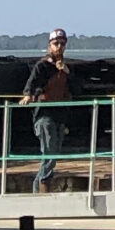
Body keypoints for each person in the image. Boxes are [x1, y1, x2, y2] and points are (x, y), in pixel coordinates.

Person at [20, 28, 73, 173]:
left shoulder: (66, 68)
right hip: (44, 114)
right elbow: (31, 83)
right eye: (56, 43)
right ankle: (41, 186)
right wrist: (27, 95)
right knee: (49, 154)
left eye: (62, 44)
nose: (59, 47)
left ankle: (43, 184)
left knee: (54, 154)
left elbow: (76, 88)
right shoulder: (42, 66)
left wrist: (67, 72)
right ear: (50, 45)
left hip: (60, 115)